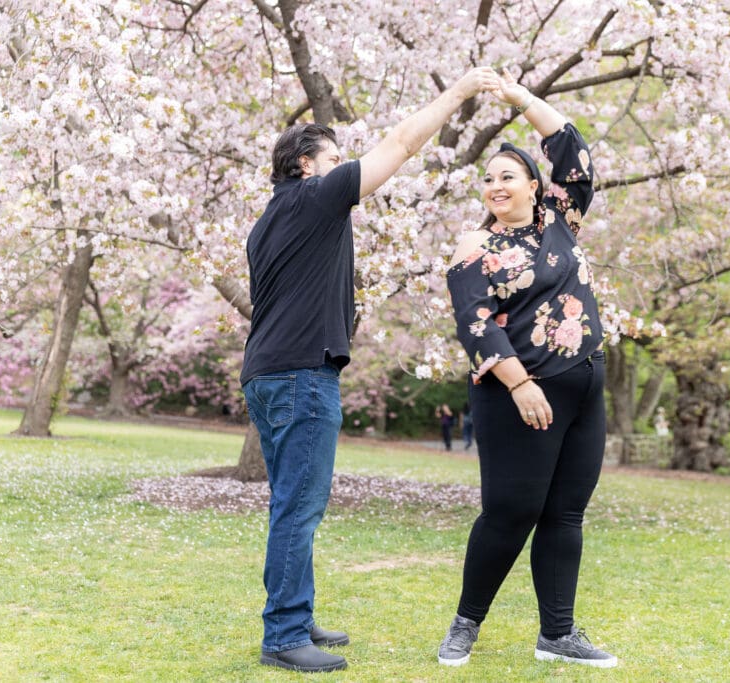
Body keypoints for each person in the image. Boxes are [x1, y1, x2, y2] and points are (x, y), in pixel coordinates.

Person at [240, 66, 499, 674]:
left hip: (267, 374)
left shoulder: (267, 222)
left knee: (291, 502)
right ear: (307, 163)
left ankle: (296, 617)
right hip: (302, 376)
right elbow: (403, 145)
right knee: (299, 508)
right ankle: (282, 635)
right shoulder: (317, 195)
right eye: (335, 155)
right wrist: (459, 93)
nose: (345, 163)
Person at [437, 69, 616, 669]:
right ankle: (466, 624)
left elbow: (571, 146)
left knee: (566, 513)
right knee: (511, 512)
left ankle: (557, 634)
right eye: (487, 179)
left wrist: (516, 97)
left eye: (506, 176)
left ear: (536, 186)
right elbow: (475, 322)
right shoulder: (474, 248)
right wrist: (519, 384)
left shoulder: (561, 219)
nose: (494, 186)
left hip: (586, 389)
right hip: (519, 398)